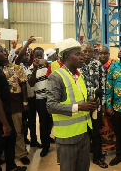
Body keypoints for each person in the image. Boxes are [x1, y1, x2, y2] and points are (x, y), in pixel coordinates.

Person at [46, 38, 98, 171]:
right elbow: (51, 106)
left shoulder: (79, 76)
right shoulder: (56, 77)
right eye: (78, 54)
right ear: (67, 57)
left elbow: (78, 99)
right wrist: (80, 107)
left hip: (84, 133)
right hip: (67, 137)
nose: (83, 57)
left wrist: (91, 103)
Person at [0, 42, 27, 171]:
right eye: (2, 52)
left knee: (11, 139)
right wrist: (5, 124)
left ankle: (11, 166)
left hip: (6, 112)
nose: (6, 54)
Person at [79, 42, 107, 168]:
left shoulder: (98, 65)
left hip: (95, 105)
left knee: (96, 132)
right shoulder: (76, 66)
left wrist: (103, 104)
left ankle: (97, 157)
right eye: (84, 51)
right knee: (83, 132)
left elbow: (103, 85)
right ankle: (82, 156)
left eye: (90, 51)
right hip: (81, 106)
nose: (87, 54)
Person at [2, 48, 30, 165]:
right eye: (1, 52)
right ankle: (3, 155)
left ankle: (21, 153)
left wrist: (25, 102)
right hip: (0, 104)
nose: (3, 54)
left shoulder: (17, 68)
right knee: (2, 131)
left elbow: (23, 85)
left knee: (18, 130)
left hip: (15, 102)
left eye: (5, 52)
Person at [27, 47, 52, 157]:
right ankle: (45, 145)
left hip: (50, 97)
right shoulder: (30, 69)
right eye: (36, 56)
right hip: (39, 98)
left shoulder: (48, 67)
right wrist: (35, 69)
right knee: (42, 122)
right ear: (33, 56)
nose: (38, 58)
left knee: (48, 121)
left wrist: (47, 65)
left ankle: (47, 139)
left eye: (41, 55)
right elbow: (31, 83)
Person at [97, 46, 116, 152]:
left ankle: (114, 146)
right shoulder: (94, 65)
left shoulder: (114, 64)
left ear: (109, 54)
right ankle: (101, 147)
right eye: (101, 53)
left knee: (113, 125)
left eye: (105, 53)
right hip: (99, 101)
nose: (103, 55)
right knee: (101, 126)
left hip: (113, 99)